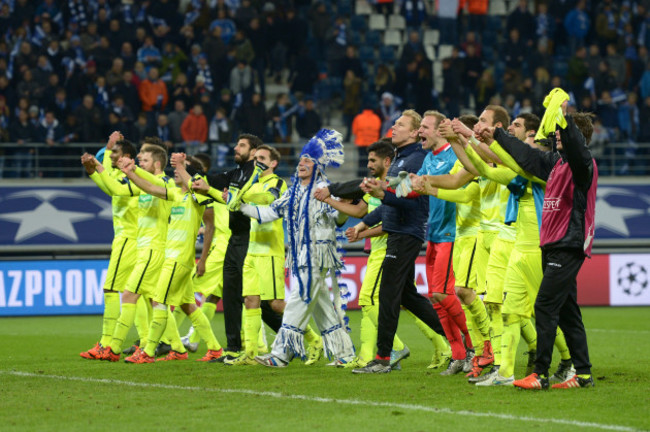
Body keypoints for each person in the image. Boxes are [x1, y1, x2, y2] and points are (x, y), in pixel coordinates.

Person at [494, 96, 598, 390]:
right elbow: (526, 157)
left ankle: (539, 373)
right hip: (553, 244)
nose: (554, 136)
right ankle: (584, 374)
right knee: (567, 311)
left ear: (573, 135)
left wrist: (563, 120)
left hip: (568, 243)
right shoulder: (556, 163)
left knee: (544, 305)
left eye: (559, 132)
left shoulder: (582, 163)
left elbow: (575, 146)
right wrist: (498, 135)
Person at [235, 129, 355, 367]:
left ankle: (281, 354)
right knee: (321, 308)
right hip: (299, 255)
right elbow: (268, 213)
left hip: (317, 255)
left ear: (318, 166)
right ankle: (346, 354)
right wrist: (240, 206)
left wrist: (339, 204)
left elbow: (339, 220)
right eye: (300, 160)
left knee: (298, 300)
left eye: (308, 161)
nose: (302, 163)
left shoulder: (324, 189)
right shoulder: (293, 191)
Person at [351, 110, 446, 374]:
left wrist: (382, 192)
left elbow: (404, 196)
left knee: (388, 293)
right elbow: (390, 200)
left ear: (415, 132)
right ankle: (458, 339)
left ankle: (383, 357)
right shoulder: (400, 160)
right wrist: (364, 222)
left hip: (406, 233)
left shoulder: (415, 159)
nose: (394, 126)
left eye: (400, 124)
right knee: (408, 296)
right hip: (398, 232)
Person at [111, 152, 225, 363]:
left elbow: (198, 194)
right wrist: (130, 173)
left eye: (180, 172)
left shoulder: (196, 195)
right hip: (173, 257)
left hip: (178, 258)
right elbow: (151, 188)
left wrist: (182, 165)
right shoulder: (176, 194)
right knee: (188, 305)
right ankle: (215, 349)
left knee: (159, 300)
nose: (175, 173)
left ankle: (148, 352)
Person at [223, 145, 323, 366]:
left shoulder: (278, 182)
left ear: (273, 163)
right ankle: (249, 354)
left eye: (262, 158)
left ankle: (313, 339)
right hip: (252, 249)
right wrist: (237, 195)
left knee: (276, 304)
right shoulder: (254, 182)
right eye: (255, 158)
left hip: (270, 250)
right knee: (250, 300)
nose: (257, 162)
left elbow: (269, 199)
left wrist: (241, 195)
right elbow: (236, 200)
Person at [83, 143, 175, 361]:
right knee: (153, 299)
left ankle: (111, 346)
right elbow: (116, 189)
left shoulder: (164, 183)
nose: (140, 163)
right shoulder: (140, 184)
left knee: (125, 293)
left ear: (157, 163)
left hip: (146, 245)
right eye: (139, 160)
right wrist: (98, 169)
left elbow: (151, 186)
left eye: (144, 160)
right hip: (143, 246)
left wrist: (131, 169)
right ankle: (172, 347)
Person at [188, 134, 260, 362]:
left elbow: (229, 205)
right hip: (233, 242)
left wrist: (203, 258)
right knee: (227, 296)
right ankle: (232, 348)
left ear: (254, 151)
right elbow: (217, 187)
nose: (235, 148)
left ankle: (298, 338)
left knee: (261, 301)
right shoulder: (234, 174)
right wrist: (184, 169)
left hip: (247, 241)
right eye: (236, 144)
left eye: (241, 145)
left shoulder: (257, 177)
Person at [416, 110, 475, 376]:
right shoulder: (429, 158)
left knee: (443, 294)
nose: (420, 132)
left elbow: (456, 182)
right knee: (436, 299)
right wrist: (387, 187)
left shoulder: (455, 155)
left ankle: (473, 345)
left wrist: (423, 182)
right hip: (433, 234)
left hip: (452, 233)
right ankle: (458, 355)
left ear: (440, 129)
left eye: (424, 127)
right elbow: (411, 186)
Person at [79, 133, 139, 360]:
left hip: (129, 239)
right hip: (132, 239)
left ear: (128, 157)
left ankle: (107, 343)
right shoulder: (123, 176)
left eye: (115, 152)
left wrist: (101, 156)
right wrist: (92, 168)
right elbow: (108, 185)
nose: (111, 156)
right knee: (138, 296)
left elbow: (113, 187)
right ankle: (162, 344)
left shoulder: (130, 178)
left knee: (111, 289)